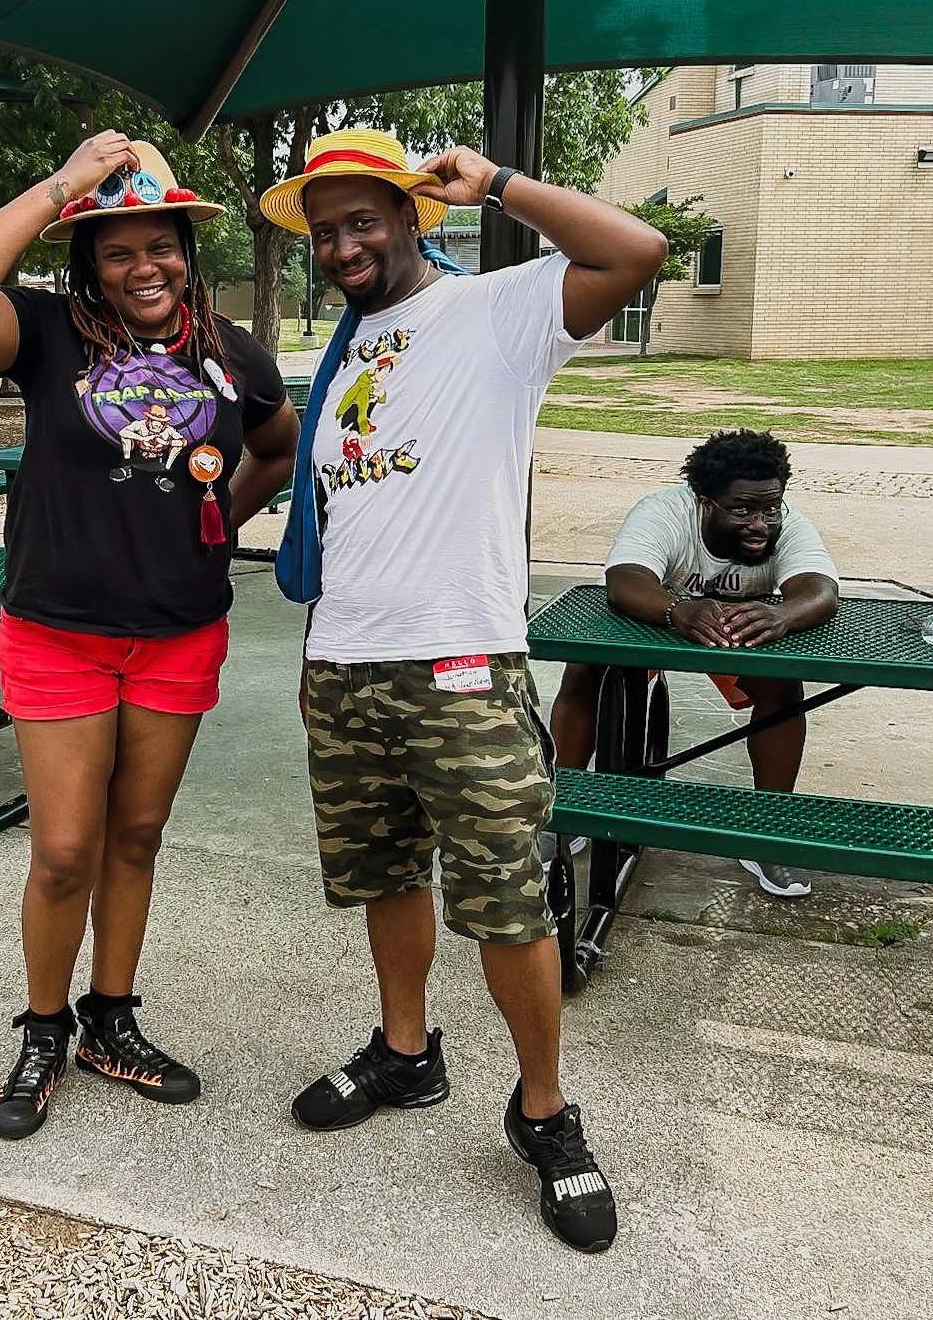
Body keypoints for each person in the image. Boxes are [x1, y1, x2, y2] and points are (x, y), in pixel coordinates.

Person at [263, 129, 667, 1254]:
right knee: (383, 872)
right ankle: (406, 1050)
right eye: (326, 227)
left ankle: (542, 1108)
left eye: (364, 220)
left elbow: (637, 250)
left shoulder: (498, 311)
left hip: (462, 664)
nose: (343, 243)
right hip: (341, 661)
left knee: (506, 899)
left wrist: (498, 184)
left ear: (411, 216)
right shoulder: (345, 343)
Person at [0, 132, 299, 1141]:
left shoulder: (230, 354)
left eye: (161, 245)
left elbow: (277, 442)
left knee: (136, 837)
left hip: (178, 634)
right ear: (87, 259)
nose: (146, 266)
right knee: (63, 851)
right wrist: (62, 185)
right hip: (59, 631)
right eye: (119, 249)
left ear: (187, 250)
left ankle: (110, 1020)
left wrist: (217, 529)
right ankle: (44, 1027)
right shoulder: (45, 334)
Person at [550, 430, 840, 899]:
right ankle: (564, 807)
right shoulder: (664, 512)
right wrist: (676, 610)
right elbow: (624, 580)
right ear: (705, 502)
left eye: (771, 508)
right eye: (742, 510)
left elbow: (821, 589)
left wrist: (783, 615)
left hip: (737, 632)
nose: (760, 524)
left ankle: (768, 828)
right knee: (586, 667)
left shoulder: (791, 524)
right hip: (663, 623)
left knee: (783, 685)